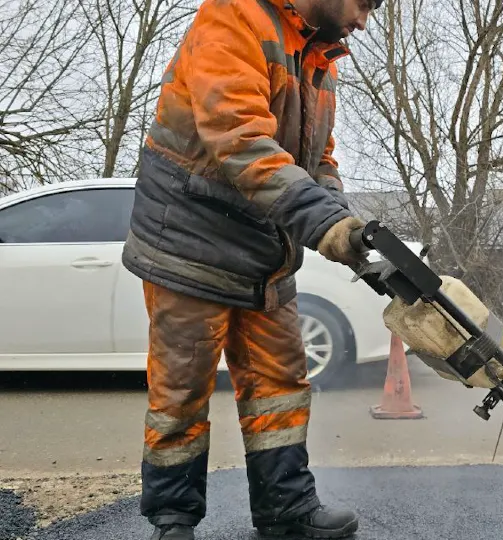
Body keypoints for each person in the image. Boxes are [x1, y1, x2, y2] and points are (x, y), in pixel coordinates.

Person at [120, 0, 380, 538]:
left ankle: (286, 508)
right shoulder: (234, 17)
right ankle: (173, 522)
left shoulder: (316, 57)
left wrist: (340, 218)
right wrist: (320, 223)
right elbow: (238, 140)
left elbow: (318, 159)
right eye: (364, 3)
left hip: (263, 251)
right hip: (190, 246)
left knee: (279, 383)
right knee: (181, 393)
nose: (364, 22)